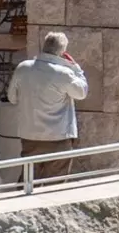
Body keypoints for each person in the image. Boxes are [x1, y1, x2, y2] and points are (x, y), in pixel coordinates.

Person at [6, 31, 89, 179]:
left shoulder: (23, 68)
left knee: (28, 182)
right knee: (55, 185)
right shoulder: (64, 73)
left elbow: (12, 98)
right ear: (63, 52)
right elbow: (81, 92)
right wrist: (76, 68)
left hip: (30, 137)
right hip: (58, 137)